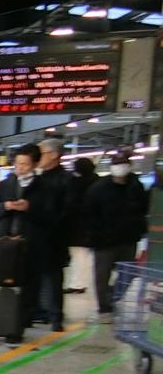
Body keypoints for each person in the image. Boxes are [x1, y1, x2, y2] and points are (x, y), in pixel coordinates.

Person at [0, 143, 49, 334]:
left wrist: (29, 208)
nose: (20, 168)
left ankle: (19, 325)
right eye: (18, 163)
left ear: (35, 164)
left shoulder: (44, 187)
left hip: (31, 244)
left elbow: (51, 216)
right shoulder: (6, 184)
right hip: (5, 243)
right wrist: (4, 207)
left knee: (29, 285)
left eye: (25, 164)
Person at [83, 152, 149, 320]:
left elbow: (143, 208)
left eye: (123, 163)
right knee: (102, 275)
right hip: (104, 240)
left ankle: (113, 297)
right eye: (117, 164)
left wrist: (138, 228)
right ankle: (104, 308)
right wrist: (96, 234)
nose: (120, 167)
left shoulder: (136, 186)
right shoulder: (98, 188)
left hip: (128, 238)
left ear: (129, 166)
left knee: (128, 272)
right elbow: (89, 214)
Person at [34, 138, 74, 332]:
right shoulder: (38, 179)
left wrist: (52, 227)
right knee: (36, 276)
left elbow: (69, 210)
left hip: (55, 238)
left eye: (40, 154)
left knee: (53, 277)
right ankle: (37, 311)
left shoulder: (66, 180)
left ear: (54, 155)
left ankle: (55, 315)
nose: (37, 158)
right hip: (36, 236)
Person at [65, 157, 98, 294]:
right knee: (85, 256)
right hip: (92, 226)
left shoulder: (76, 184)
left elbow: (70, 204)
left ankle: (78, 284)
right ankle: (80, 283)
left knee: (78, 256)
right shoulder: (97, 182)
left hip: (76, 227)